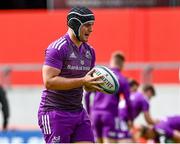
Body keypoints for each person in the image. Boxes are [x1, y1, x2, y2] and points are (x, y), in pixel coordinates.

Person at [38, 6, 104, 143]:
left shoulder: (90, 51)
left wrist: (96, 85)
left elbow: (86, 85)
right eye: (87, 25)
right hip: (55, 113)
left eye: (92, 25)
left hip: (78, 112)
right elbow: (49, 82)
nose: (91, 29)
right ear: (75, 24)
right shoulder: (57, 48)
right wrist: (82, 81)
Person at [85, 51, 133, 143]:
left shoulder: (100, 75)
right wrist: (130, 118)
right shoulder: (122, 79)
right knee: (109, 141)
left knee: (97, 141)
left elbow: (87, 94)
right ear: (122, 64)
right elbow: (128, 102)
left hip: (95, 114)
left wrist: (89, 113)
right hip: (109, 115)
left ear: (111, 62)